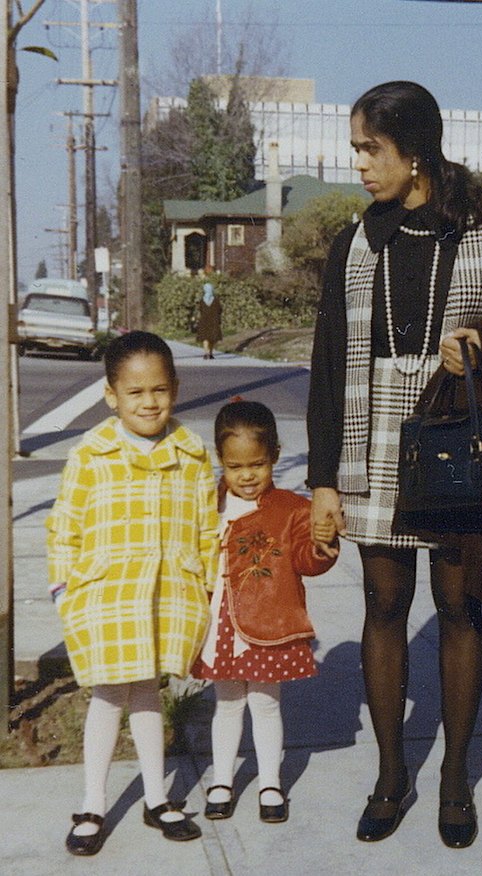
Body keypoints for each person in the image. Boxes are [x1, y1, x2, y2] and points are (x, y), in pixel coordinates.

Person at [307, 81, 482, 849]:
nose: (361, 165)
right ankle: (390, 774)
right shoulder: (355, 240)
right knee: (381, 605)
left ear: (416, 151)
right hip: (371, 440)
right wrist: (322, 483)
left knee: (459, 606)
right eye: (358, 150)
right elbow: (328, 363)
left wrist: (477, 346)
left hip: (455, 441)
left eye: (371, 150)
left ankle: (454, 778)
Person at [46, 330, 219, 856]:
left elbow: (207, 527)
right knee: (107, 696)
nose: (149, 402)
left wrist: (207, 586)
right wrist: (63, 588)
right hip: (107, 595)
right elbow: (65, 525)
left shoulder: (192, 454)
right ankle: (93, 802)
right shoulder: (91, 454)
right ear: (111, 395)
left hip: (168, 593)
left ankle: (156, 796)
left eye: (160, 390)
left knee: (148, 693)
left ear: (175, 388)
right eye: (136, 392)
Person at [192, 400, 338, 823]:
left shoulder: (291, 508)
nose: (248, 476)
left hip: (269, 623)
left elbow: (308, 562)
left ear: (274, 455)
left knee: (266, 703)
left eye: (257, 464)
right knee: (228, 704)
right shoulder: (209, 503)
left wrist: (322, 542)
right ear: (221, 461)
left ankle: (270, 782)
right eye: (236, 467)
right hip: (219, 623)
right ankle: (222, 780)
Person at [196, 281, 222, 360]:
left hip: (204, 321)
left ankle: (206, 352)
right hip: (214, 321)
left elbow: (200, 310)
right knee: (212, 338)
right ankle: (210, 353)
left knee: (205, 337)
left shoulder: (201, 300)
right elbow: (220, 310)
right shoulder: (216, 300)